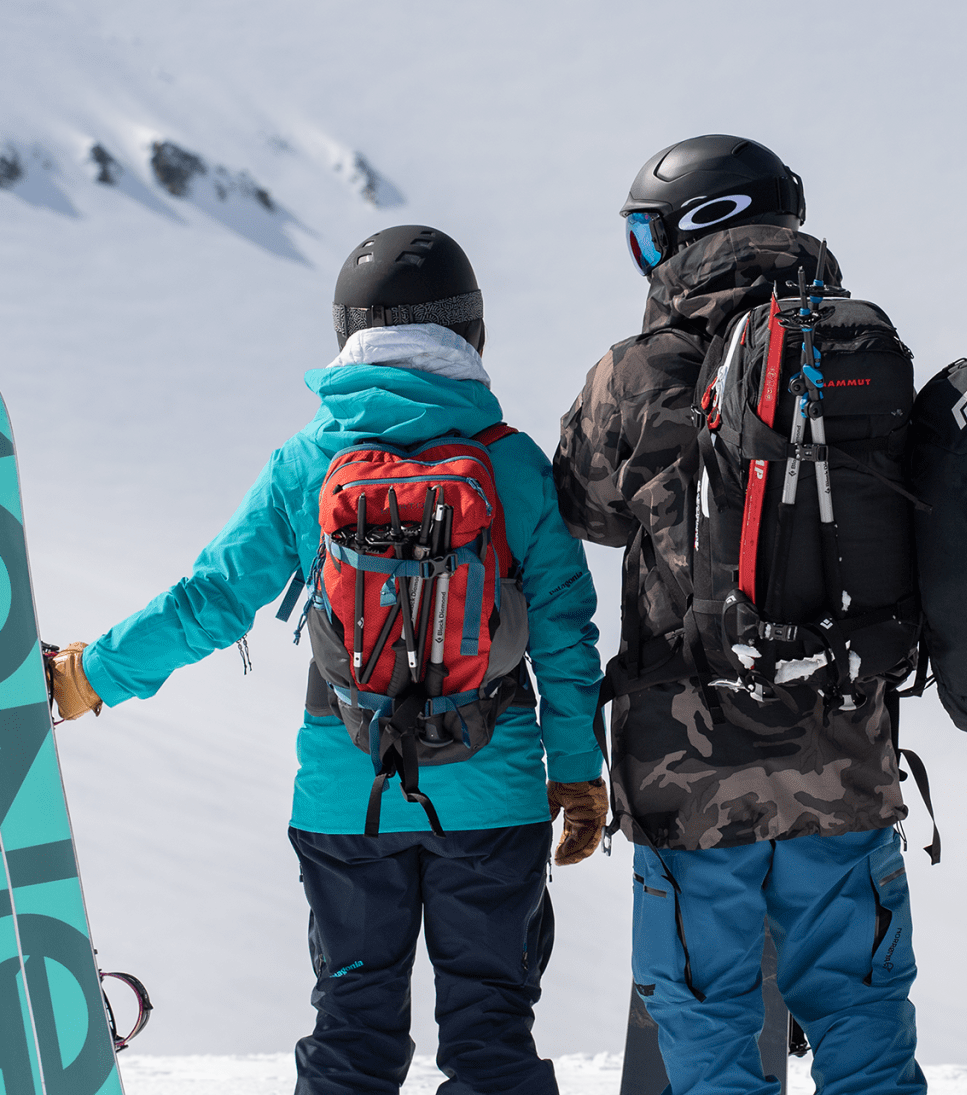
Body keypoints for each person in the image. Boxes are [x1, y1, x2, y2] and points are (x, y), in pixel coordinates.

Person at [43, 224, 606, 1095]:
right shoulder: (512, 465)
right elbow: (566, 632)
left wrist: (88, 677)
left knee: (352, 1031)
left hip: (349, 802)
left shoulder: (309, 463)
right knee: (492, 1033)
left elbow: (210, 602)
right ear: (472, 333)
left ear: (348, 331)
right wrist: (576, 776)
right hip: (495, 799)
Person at [553, 134, 924, 1095]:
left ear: (691, 231)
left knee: (708, 1023)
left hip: (690, 769)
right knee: (862, 1016)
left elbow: (582, 508)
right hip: (843, 750)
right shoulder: (859, 345)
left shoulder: (635, 375)